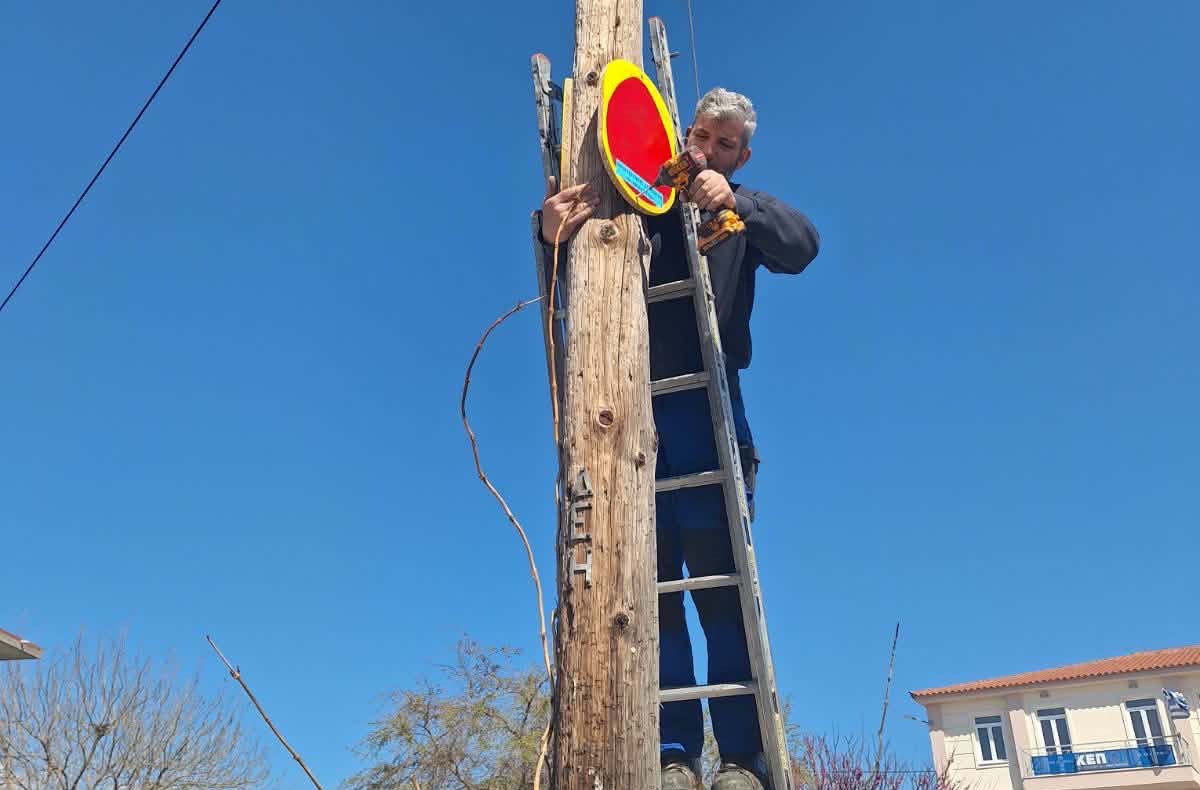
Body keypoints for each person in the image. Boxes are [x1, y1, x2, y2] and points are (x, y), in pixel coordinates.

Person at [538, 87, 819, 790]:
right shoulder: (635, 197)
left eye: (727, 145)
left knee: (719, 587)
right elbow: (565, 282)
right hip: (624, 405)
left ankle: (743, 759)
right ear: (683, 131)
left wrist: (736, 200)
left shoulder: (733, 208)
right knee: (647, 587)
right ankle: (672, 754)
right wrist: (545, 233)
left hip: (708, 399)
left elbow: (803, 246)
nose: (709, 150)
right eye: (703, 136)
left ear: (741, 154)